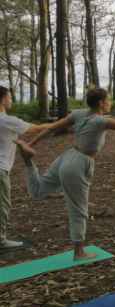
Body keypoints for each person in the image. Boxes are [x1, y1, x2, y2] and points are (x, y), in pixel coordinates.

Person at [15, 88, 115, 260]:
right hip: (79, 164)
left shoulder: (78, 114)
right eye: (108, 100)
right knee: (79, 208)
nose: (110, 102)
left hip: (66, 157)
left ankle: (28, 160)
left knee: (38, 191)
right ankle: (79, 252)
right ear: (101, 103)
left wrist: (31, 144)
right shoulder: (100, 121)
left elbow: (51, 128)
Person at [0, 86, 51, 249]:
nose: (11, 100)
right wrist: (64, 121)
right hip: (0, 169)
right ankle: (0, 241)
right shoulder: (6, 120)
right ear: (2, 99)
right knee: (3, 204)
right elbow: (36, 128)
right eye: (9, 97)